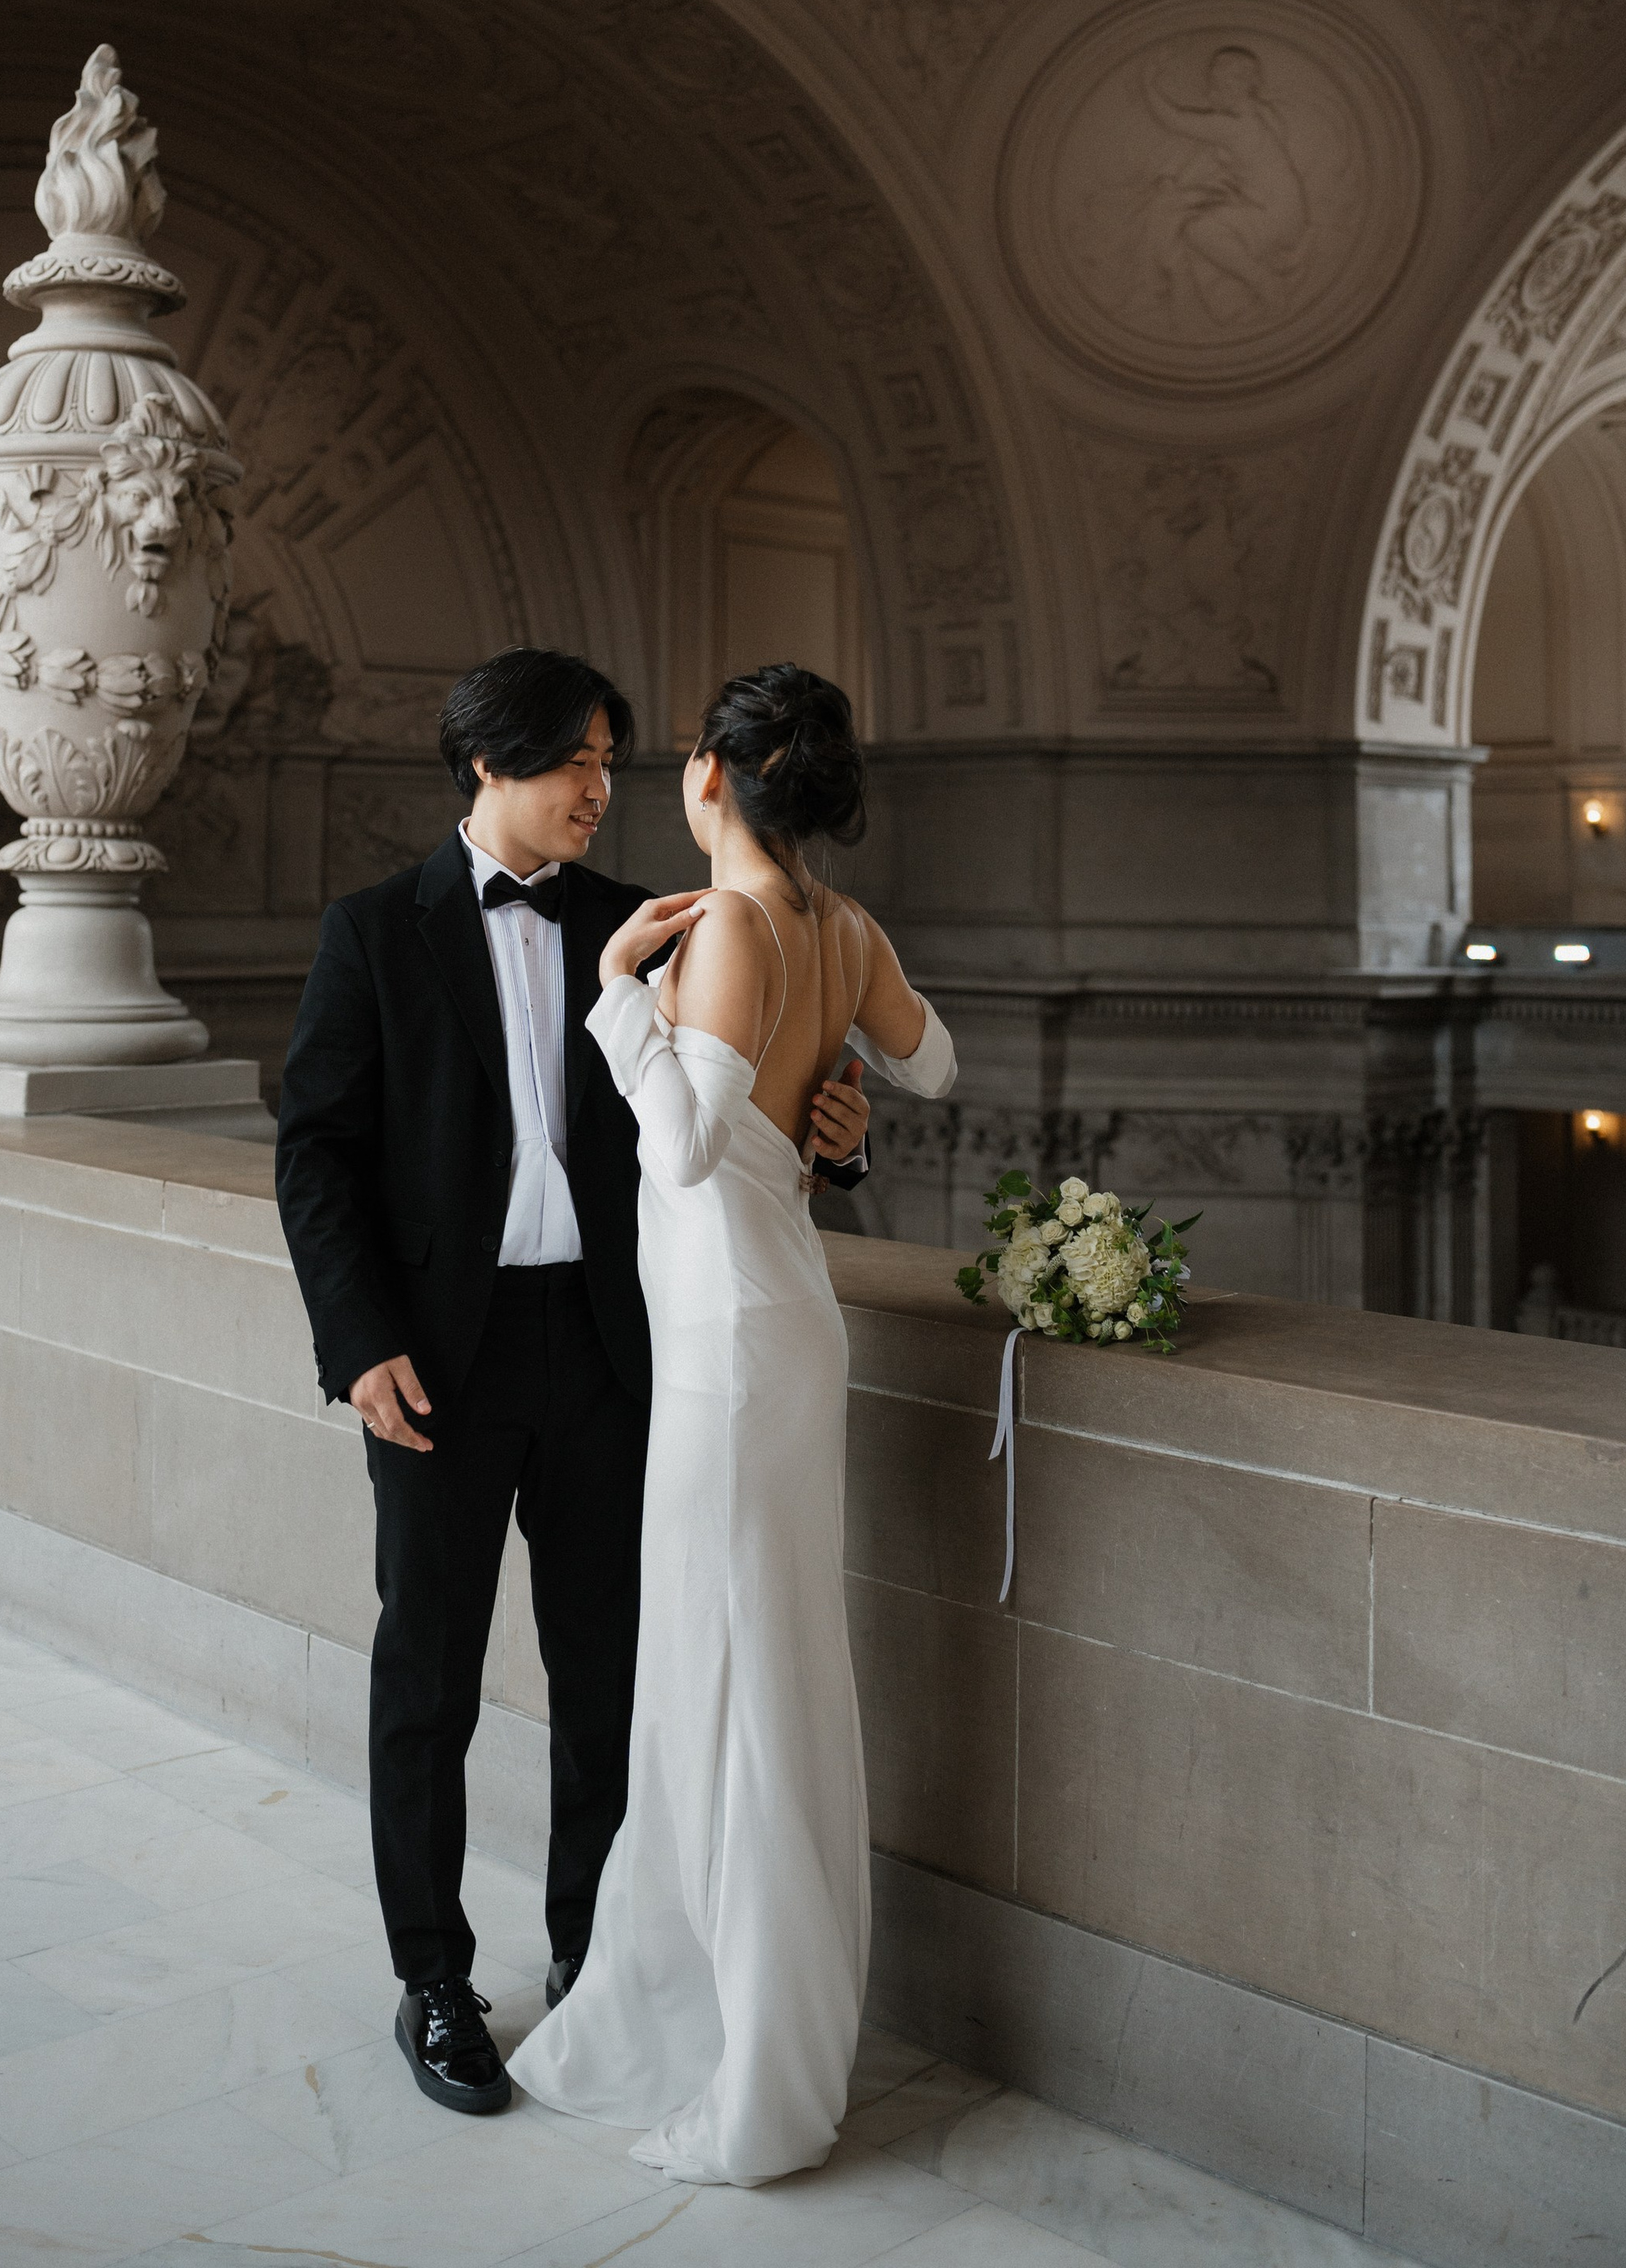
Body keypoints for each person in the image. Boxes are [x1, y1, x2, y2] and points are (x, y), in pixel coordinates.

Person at [273, 648, 872, 2117]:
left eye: (613, 763)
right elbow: (317, 1157)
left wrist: (841, 1139)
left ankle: (594, 1957)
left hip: (621, 1356)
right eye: (573, 767)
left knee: (612, 1677)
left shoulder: (658, 927)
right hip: (436, 1367)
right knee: (431, 1676)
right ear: (486, 765)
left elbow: (737, 1125)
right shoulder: (373, 933)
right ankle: (433, 1981)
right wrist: (360, 1347)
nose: (603, 794)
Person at [506, 662, 959, 2185]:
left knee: (729, 1672)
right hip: (785, 1330)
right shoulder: (845, 928)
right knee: (755, 1662)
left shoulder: (729, 932)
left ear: (716, 774)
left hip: (728, 1350)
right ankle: (746, 2013)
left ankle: (753, 2060)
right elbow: (934, 1056)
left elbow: (689, 1149)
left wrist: (609, 994)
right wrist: (844, 1089)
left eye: (686, 756)